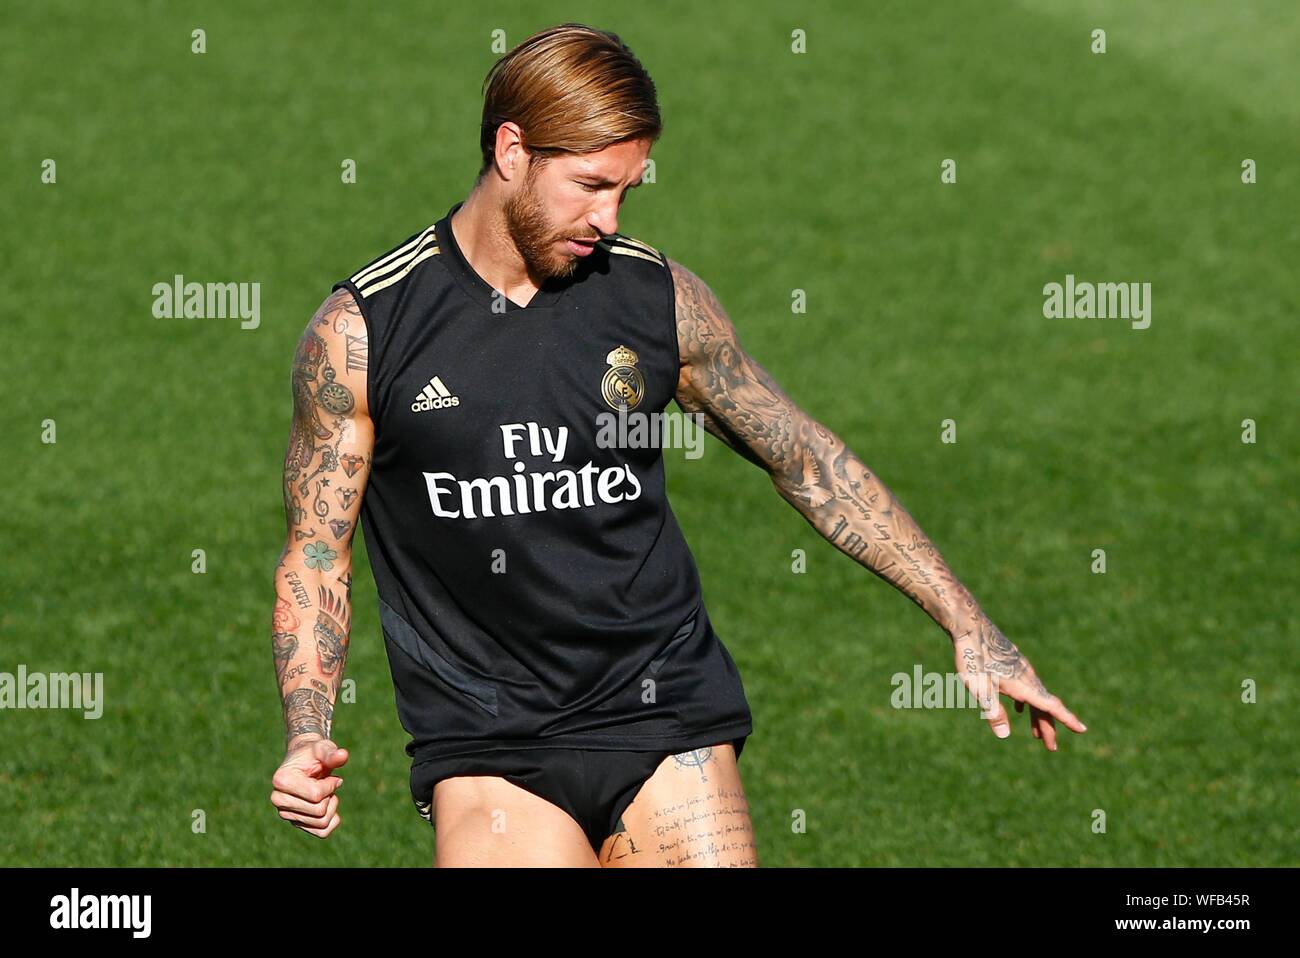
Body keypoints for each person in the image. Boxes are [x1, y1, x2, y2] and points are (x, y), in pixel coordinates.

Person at [267, 22, 1086, 868]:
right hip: (489, 738)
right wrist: (306, 732)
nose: (608, 219)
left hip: (663, 710)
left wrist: (965, 620)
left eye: (627, 189)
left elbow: (803, 457)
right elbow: (317, 553)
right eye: (589, 186)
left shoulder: (652, 298)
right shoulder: (368, 333)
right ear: (512, 151)